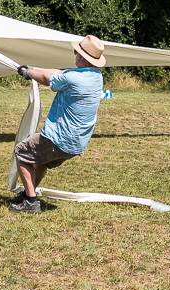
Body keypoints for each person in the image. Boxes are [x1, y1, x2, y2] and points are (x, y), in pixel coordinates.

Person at [9, 34, 107, 214]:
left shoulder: (74, 79)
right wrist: (33, 68)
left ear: (82, 57)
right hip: (76, 144)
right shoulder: (95, 76)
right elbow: (59, 73)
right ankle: (27, 194)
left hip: (58, 139)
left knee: (21, 152)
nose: (75, 55)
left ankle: (30, 201)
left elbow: (49, 79)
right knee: (41, 162)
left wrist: (28, 73)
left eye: (76, 52)